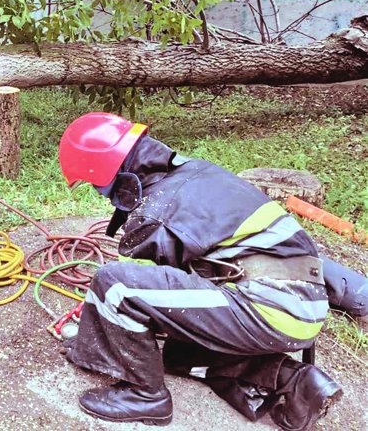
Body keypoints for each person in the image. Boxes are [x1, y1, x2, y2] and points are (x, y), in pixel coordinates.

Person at [57, 112, 368, 429]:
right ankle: (292, 381)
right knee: (171, 354)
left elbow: (150, 297)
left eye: (95, 183)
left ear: (109, 172)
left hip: (274, 307)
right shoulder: (199, 173)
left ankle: (146, 397)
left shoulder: (157, 213)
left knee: (115, 287)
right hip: (303, 298)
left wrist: (97, 332)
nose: (98, 191)